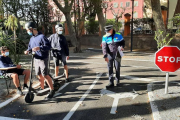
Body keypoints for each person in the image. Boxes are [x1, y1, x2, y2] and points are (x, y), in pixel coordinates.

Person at [24, 22, 55, 99]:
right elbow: (30, 48)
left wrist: (40, 48)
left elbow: (48, 47)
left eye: (27, 30)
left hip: (43, 59)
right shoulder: (31, 38)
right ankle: (42, 87)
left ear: (31, 29)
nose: (27, 31)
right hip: (36, 58)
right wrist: (27, 51)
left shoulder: (42, 37)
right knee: (39, 74)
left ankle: (52, 90)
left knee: (45, 75)